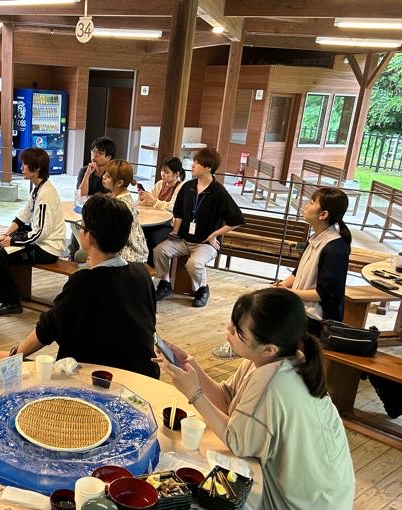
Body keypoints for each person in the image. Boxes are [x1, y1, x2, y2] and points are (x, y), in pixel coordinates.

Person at [157, 288, 354, 510]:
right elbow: (228, 398)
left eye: (239, 331)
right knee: (193, 471)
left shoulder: (275, 386)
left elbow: (237, 441)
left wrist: (193, 393)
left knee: (186, 493)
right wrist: (192, 367)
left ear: (268, 347)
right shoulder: (281, 362)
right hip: (320, 500)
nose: (229, 331)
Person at [0, 194, 159, 379]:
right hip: (143, 375)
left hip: (100, 380)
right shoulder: (141, 273)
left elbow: (49, 327)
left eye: (81, 226)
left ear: (90, 237)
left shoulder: (85, 281)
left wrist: (13, 355)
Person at [212, 187, 352, 359]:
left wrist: (289, 293)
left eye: (311, 203)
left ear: (323, 215)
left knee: (261, 310)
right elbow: (297, 272)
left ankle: (243, 344)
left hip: (315, 318)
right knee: (253, 299)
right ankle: (241, 343)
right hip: (302, 306)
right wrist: (282, 286)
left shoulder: (335, 248)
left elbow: (324, 293)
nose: (306, 206)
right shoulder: (317, 239)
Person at [153, 147, 245, 308]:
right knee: (159, 251)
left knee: (193, 264)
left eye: (197, 162)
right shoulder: (188, 186)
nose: (192, 164)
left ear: (208, 168)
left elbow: (237, 219)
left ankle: (202, 289)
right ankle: (165, 283)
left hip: (205, 243)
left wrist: (214, 235)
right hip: (183, 239)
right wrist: (175, 229)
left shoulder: (219, 192)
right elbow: (178, 211)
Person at [0, 147, 65, 316]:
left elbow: (40, 233)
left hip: (48, 249)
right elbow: (23, 215)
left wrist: (12, 241)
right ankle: (3, 295)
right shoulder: (38, 188)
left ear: (37, 168)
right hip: (39, 243)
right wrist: (5, 235)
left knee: (2, 255)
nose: (21, 167)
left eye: (24, 164)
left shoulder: (46, 194)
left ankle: (12, 302)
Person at [69, 136, 116, 262]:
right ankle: (76, 255)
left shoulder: (112, 174)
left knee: (79, 224)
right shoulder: (85, 170)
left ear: (108, 157)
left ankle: (81, 254)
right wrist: (88, 174)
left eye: (99, 153)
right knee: (75, 222)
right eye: (93, 151)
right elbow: (81, 195)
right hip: (86, 211)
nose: (94, 155)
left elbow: (112, 196)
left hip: (104, 215)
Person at [138, 156, 186, 266]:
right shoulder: (160, 183)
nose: (163, 174)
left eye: (166, 172)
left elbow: (172, 207)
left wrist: (154, 201)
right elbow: (150, 203)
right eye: (162, 171)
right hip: (156, 221)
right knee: (138, 230)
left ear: (176, 173)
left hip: (171, 225)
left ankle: (151, 268)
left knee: (155, 237)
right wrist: (143, 198)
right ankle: (139, 265)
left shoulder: (181, 187)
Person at [101, 159, 148, 264]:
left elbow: (113, 238)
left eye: (108, 176)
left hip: (128, 256)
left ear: (119, 183)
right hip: (135, 252)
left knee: (82, 255)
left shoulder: (120, 205)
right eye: (105, 174)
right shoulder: (125, 196)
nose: (103, 177)